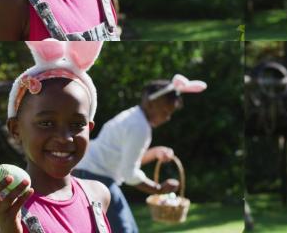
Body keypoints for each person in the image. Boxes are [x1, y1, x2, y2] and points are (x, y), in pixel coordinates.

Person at [0, 41, 113, 232]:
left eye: (77, 125)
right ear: (16, 129)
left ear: (89, 129)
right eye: (46, 123)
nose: (65, 137)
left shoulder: (98, 195)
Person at [73, 74, 207, 232]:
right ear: (151, 103)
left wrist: (155, 153)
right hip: (96, 177)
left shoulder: (133, 116)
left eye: (170, 113)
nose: (167, 117)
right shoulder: (140, 126)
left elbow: (127, 162)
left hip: (85, 171)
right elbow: (129, 173)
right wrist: (158, 189)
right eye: (165, 111)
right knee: (126, 230)